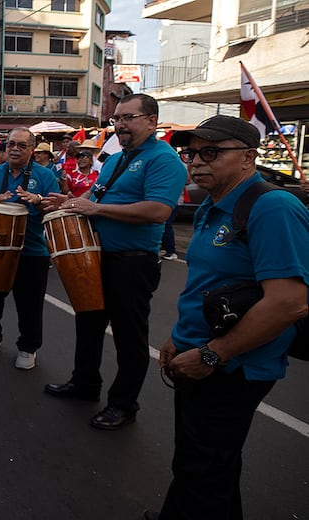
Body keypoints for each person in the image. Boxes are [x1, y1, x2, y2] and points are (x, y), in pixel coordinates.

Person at [143, 115, 309, 520]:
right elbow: (207, 282)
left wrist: (213, 355)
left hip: (234, 367)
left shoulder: (272, 207)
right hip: (199, 355)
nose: (197, 161)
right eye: (192, 152)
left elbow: (289, 302)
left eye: (211, 152)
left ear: (248, 157)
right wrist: (179, 339)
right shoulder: (212, 206)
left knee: (203, 468)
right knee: (206, 466)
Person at [43, 93, 186, 429]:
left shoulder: (163, 160)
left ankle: (123, 404)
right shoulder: (116, 159)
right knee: (89, 324)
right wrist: (71, 201)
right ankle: (85, 384)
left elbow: (158, 211)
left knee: (128, 337)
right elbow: (95, 197)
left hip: (132, 263)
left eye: (128, 118)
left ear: (151, 121)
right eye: (116, 119)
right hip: (98, 257)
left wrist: (97, 209)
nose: (119, 125)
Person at [0, 127, 60, 370]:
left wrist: (39, 200)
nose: (15, 149)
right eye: (11, 144)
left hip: (32, 251)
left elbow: (56, 207)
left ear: (32, 150)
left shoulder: (45, 175)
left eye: (22, 145)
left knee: (30, 303)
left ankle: (28, 347)